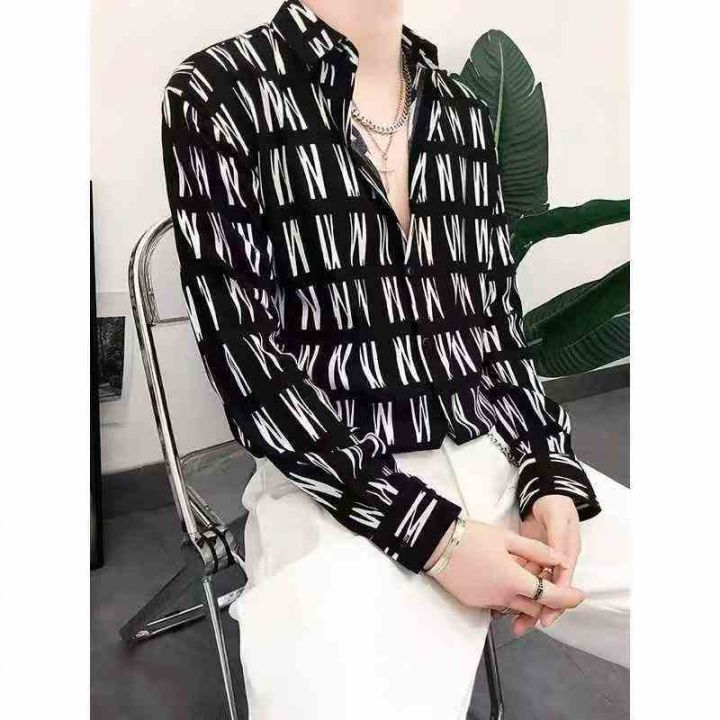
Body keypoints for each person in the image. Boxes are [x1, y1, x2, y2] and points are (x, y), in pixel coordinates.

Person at [160, 1, 630, 716]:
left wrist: (549, 474)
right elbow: (247, 361)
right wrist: (436, 540)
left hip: (496, 456)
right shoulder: (220, 91)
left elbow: (495, 324)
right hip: (334, 486)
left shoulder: (462, 112)